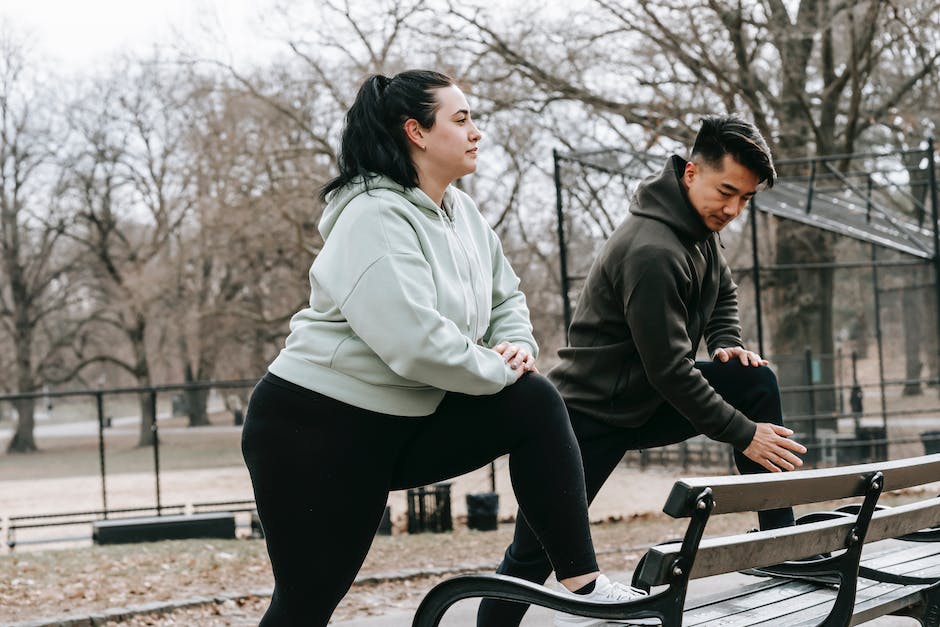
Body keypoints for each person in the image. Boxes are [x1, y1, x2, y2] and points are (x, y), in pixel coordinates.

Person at [241, 69, 639, 626]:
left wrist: (516, 348)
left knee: (535, 402)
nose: (476, 131)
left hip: (401, 419)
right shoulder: (373, 215)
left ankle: (584, 582)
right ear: (416, 132)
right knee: (306, 605)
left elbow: (508, 297)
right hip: (313, 431)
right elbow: (415, 345)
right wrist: (499, 371)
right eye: (461, 118)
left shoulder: (463, 213)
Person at [478, 115, 808, 626]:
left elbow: (722, 289)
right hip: (589, 417)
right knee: (533, 554)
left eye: (745, 199)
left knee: (753, 379)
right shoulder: (653, 250)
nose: (733, 209)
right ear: (692, 172)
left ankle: (783, 542)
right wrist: (745, 435)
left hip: (645, 402)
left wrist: (727, 344)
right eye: (727, 192)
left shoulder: (700, 227)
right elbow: (671, 372)